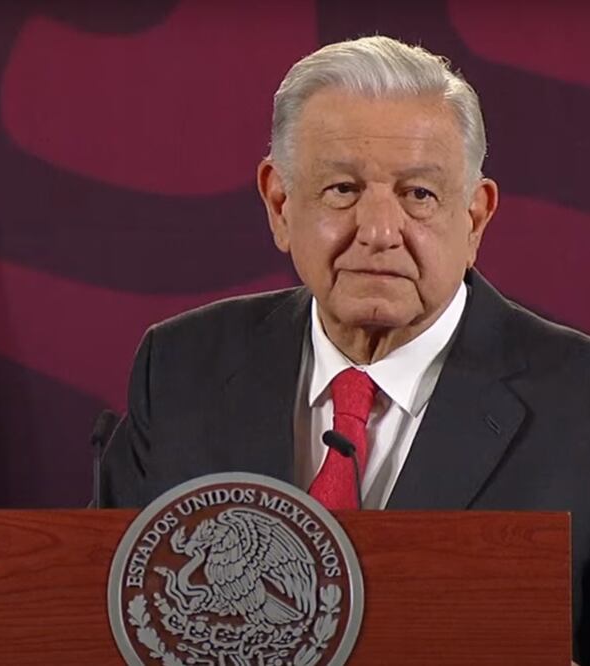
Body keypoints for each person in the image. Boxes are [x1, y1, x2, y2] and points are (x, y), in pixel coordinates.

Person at [99, 35, 588, 662]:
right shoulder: (180, 368)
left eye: (418, 194)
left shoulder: (578, 401)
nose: (379, 232)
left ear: (474, 218)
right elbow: (101, 612)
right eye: (342, 189)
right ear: (280, 204)